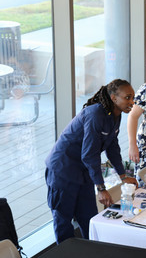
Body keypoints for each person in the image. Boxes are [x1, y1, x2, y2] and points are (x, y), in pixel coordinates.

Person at [46, 79, 138, 243]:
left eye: (133, 97)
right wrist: (101, 188)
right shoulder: (95, 114)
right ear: (113, 97)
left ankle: (92, 257)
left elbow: (112, 148)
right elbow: (89, 155)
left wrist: (123, 176)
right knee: (64, 221)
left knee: (88, 217)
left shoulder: (115, 115)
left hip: (83, 171)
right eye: (128, 97)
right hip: (63, 170)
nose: (132, 102)